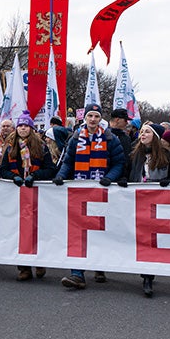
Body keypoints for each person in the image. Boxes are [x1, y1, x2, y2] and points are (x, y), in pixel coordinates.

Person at [54, 103, 126, 290]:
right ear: (84, 118)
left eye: (96, 116)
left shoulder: (110, 138)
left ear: (100, 118)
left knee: (99, 230)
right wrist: (61, 175)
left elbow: (119, 162)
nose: (92, 119)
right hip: (80, 190)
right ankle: (77, 273)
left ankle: (99, 266)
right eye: (90, 116)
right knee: (79, 231)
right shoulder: (76, 137)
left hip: (101, 191)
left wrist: (110, 177)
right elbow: (68, 161)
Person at [0, 111, 56, 282]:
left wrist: (35, 176)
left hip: (37, 193)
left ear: (31, 128)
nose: (23, 128)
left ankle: (40, 261)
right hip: (18, 194)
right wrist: (13, 177)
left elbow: (51, 170)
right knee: (20, 231)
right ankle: (23, 267)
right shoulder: (10, 148)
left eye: (26, 126)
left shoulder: (41, 147)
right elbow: (4, 170)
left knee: (38, 230)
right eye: (20, 125)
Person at [123, 122, 170, 297]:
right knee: (140, 237)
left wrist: (168, 181)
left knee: (152, 239)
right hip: (137, 199)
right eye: (141, 132)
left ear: (155, 136)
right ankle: (144, 271)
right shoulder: (135, 154)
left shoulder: (166, 155)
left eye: (147, 132)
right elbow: (126, 171)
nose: (142, 134)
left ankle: (148, 276)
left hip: (157, 202)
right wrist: (124, 180)